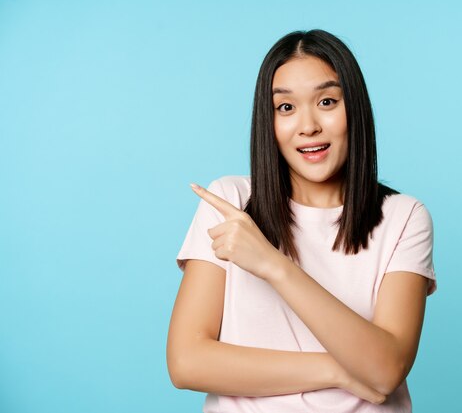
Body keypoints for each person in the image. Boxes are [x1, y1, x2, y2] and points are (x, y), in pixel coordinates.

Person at [167, 29, 437, 413]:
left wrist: (272, 265)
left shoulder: (404, 218)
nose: (308, 125)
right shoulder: (231, 203)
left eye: (327, 101)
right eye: (286, 108)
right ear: (269, 121)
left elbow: (385, 368)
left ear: (354, 109)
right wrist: (338, 370)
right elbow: (186, 362)